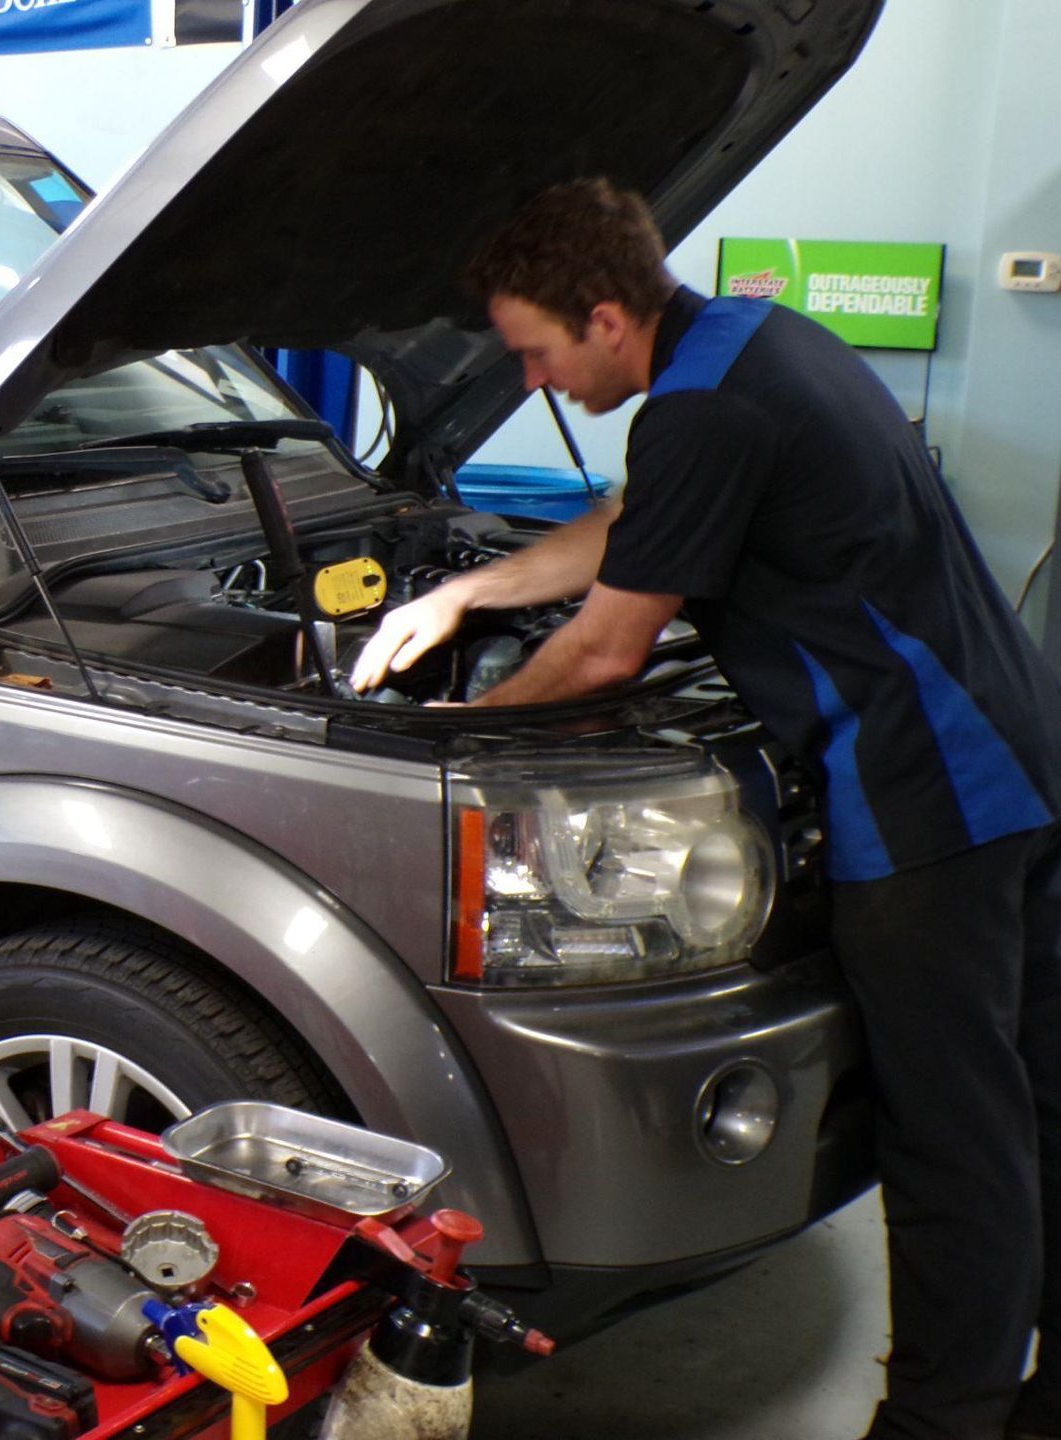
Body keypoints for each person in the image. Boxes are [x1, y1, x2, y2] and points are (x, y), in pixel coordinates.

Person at [350, 177, 1061, 1440]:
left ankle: (943, 1421)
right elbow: (641, 529)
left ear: (608, 316)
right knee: (1033, 1103)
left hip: (929, 795)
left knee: (952, 1138)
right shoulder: (756, 341)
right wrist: (473, 594)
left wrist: (437, 738)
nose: (532, 381)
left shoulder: (700, 411)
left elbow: (611, 651)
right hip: (1021, 747)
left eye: (536, 351)